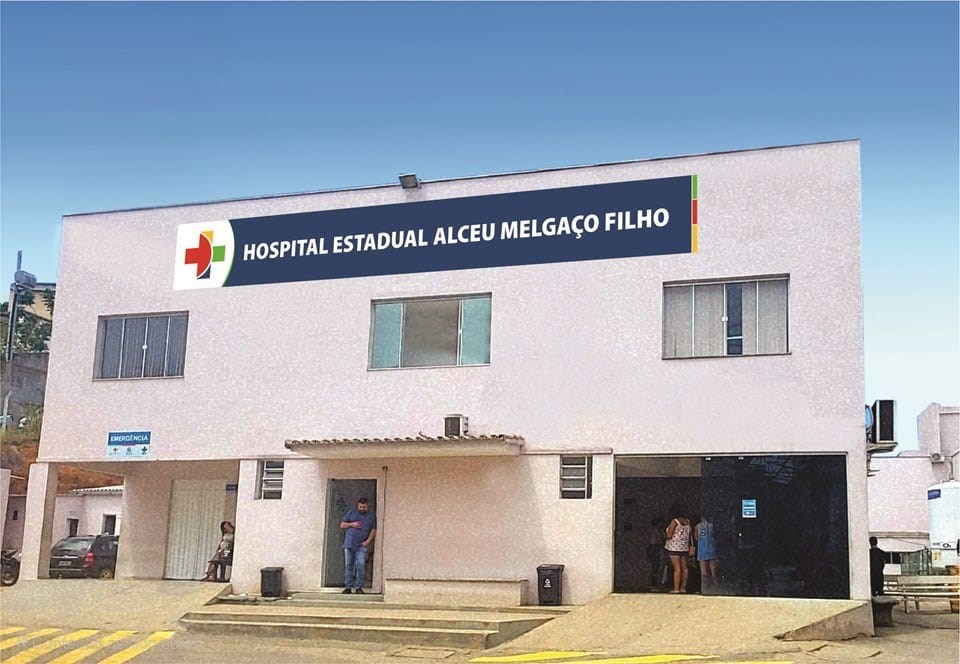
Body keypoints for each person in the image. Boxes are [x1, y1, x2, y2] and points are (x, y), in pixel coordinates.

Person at [341, 496, 377, 594]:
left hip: (361, 545)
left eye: (364, 507)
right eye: (360, 507)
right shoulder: (351, 513)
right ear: (358, 505)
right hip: (349, 543)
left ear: (367, 506)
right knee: (349, 565)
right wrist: (352, 524)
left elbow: (373, 530)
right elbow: (342, 525)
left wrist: (368, 541)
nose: (362, 509)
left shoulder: (371, 517)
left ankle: (358, 587)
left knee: (360, 565)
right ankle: (348, 587)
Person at [664, 507, 692, 593]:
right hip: (684, 547)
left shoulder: (674, 521)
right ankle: (683, 588)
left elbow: (669, 535)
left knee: (677, 568)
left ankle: (676, 588)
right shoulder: (687, 522)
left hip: (674, 547)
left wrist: (663, 534)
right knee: (685, 568)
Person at [695, 514, 719, 591]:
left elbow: (696, 538)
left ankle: (704, 588)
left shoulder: (697, 526)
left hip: (701, 549)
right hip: (711, 548)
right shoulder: (712, 526)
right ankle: (715, 587)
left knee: (703, 571)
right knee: (713, 570)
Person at [647, 517, 667, 589]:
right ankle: (654, 584)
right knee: (655, 565)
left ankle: (655, 583)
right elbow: (663, 537)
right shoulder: (656, 530)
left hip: (655, 547)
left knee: (656, 565)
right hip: (654, 547)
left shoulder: (654, 530)